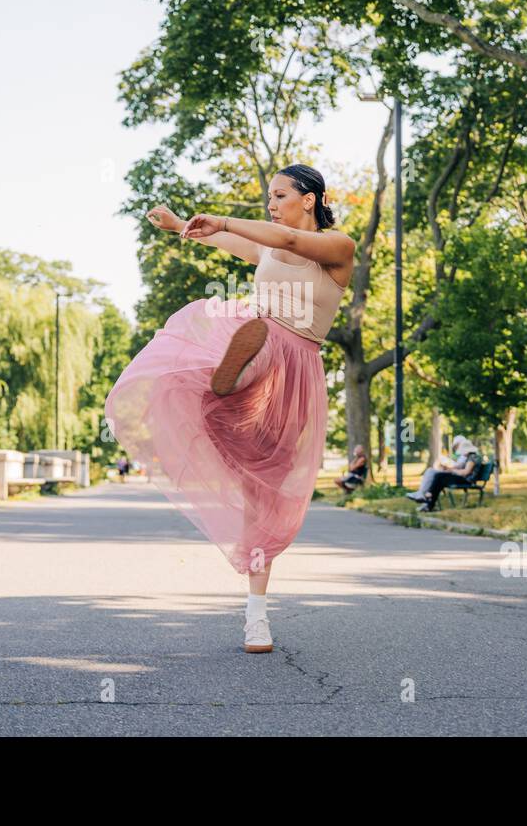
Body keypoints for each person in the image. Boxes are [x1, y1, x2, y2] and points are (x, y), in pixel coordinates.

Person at [104, 164, 354, 655]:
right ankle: (231, 380)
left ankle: (255, 619)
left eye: (279, 194)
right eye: (269, 195)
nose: (271, 201)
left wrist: (223, 219)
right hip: (263, 339)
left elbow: (292, 243)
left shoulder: (337, 247)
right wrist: (181, 226)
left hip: (297, 371)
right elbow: (239, 242)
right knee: (225, 345)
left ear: (310, 199)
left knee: (263, 496)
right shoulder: (267, 243)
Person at [405, 436, 481, 512]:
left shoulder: (473, 457)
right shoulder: (470, 457)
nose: (461, 453)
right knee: (439, 480)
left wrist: (452, 471)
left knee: (439, 477)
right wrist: (450, 470)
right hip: (462, 478)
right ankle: (428, 503)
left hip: (466, 480)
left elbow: (466, 472)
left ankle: (428, 497)